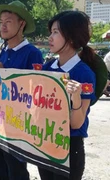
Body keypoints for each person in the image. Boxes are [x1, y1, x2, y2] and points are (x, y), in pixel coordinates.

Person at [0, 1, 43, 180]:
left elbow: (36, 93)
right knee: (0, 170)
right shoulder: (4, 51)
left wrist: (7, 74)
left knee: (16, 172)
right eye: (1, 22)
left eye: (8, 21)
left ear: (21, 24)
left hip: (18, 125)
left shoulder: (32, 53)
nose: (3, 26)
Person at [37, 11, 103, 180]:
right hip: (45, 142)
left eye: (56, 32)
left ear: (71, 38)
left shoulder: (83, 73)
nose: (50, 37)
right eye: (51, 32)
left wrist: (75, 98)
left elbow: (77, 123)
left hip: (69, 147)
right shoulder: (48, 67)